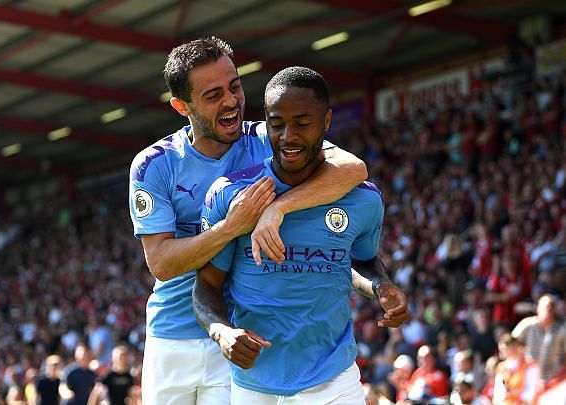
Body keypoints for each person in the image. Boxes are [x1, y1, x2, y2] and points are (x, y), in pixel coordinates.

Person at [128, 37, 368, 404]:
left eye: (234, 86)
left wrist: (277, 208)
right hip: (171, 337)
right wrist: (230, 227)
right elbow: (161, 263)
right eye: (212, 95)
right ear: (181, 106)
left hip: (240, 337)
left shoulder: (265, 139)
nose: (230, 101)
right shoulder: (154, 164)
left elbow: (352, 168)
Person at [193, 66, 408, 404]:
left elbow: (363, 260)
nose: (288, 136)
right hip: (254, 384)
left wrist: (380, 285)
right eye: (277, 124)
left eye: (303, 124)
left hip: (334, 379)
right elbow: (206, 286)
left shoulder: (362, 200)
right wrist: (221, 332)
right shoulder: (230, 195)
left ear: (326, 121)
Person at [511, 293, 566, 383]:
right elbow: (510, 342)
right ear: (538, 308)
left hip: (554, 379)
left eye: (551, 307)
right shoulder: (527, 324)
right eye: (546, 307)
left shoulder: (562, 328)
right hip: (529, 376)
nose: (548, 310)